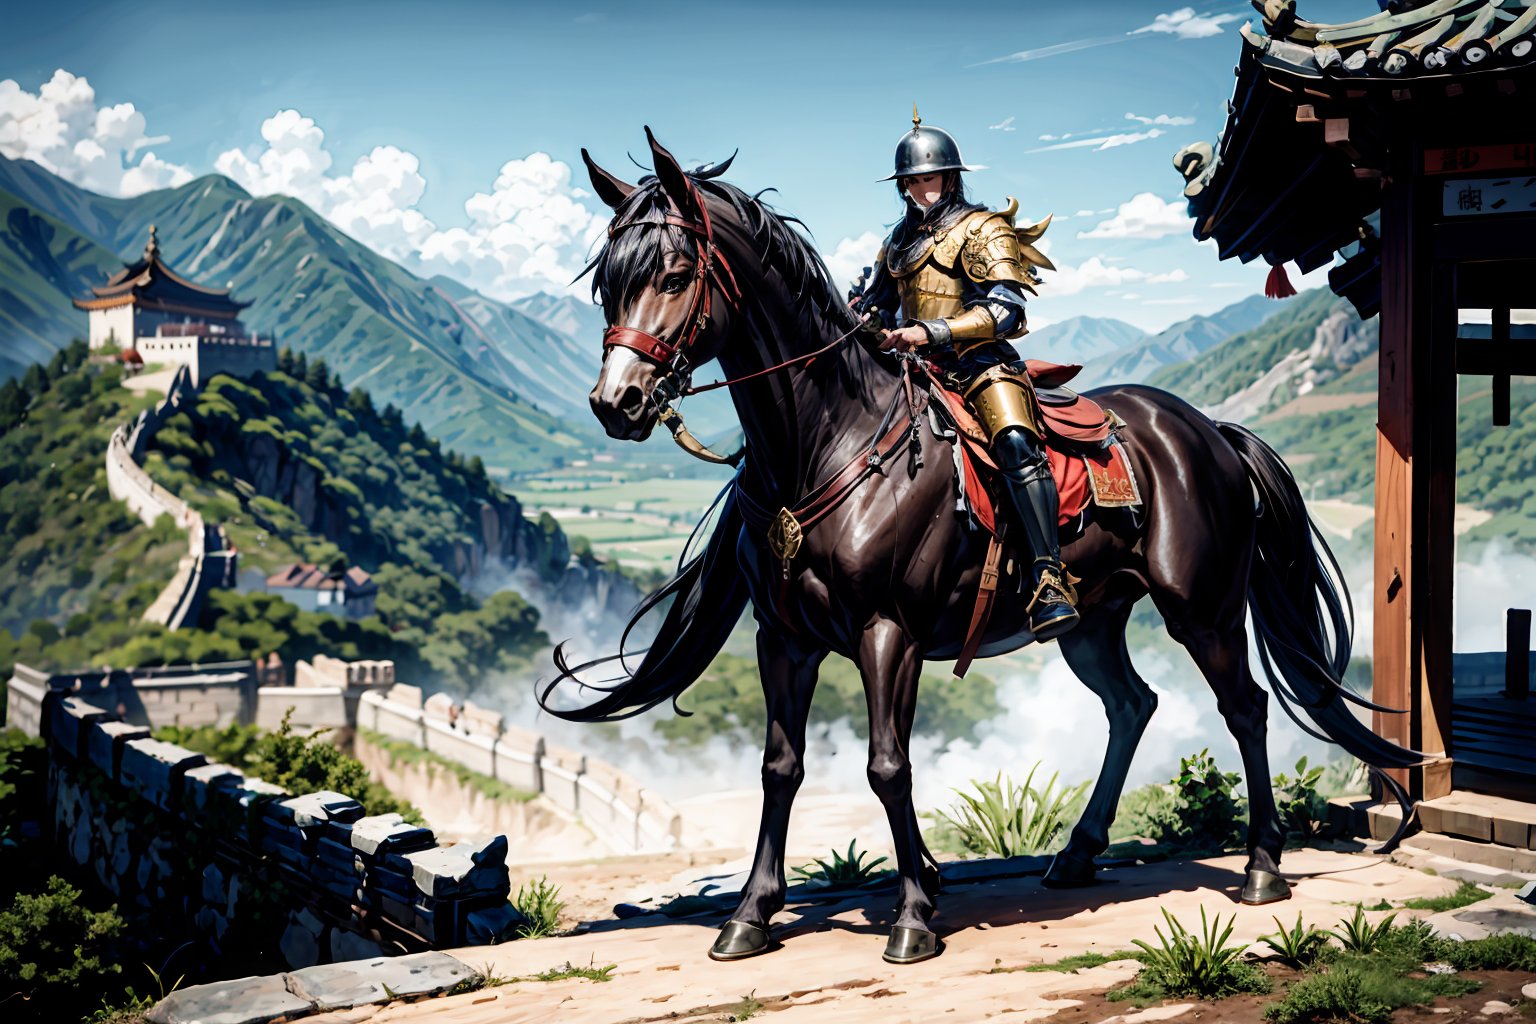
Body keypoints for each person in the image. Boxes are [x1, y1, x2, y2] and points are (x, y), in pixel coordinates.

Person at [853, 110, 1078, 639]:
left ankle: (1049, 575)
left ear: (950, 176)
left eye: (926, 178)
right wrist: (860, 318)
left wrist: (928, 333)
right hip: (913, 370)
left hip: (981, 365)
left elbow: (1006, 313)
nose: (916, 190)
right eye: (908, 182)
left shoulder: (983, 229)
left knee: (1018, 441)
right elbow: (880, 307)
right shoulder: (898, 240)